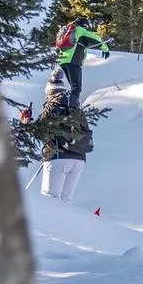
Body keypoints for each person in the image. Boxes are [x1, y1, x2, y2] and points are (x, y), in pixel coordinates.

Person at [21, 72, 94, 206]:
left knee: (50, 202)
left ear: (50, 92)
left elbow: (38, 132)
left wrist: (26, 121)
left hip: (58, 157)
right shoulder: (76, 106)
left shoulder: (53, 105)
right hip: (79, 159)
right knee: (65, 203)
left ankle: (50, 226)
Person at [55, 17, 109, 109]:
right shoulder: (81, 30)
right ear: (85, 25)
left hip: (63, 61)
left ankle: (69, 104)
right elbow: (95, 38)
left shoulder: (68, 31)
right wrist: (105, 49)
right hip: (73, 61)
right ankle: (73, 108)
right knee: (76, 87)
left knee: (73, 86)